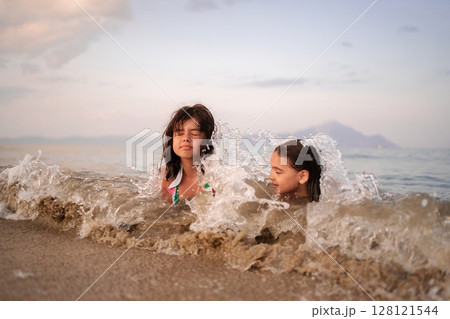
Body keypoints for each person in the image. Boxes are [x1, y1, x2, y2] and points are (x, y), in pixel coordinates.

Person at [161, 104, 216, 204]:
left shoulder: (217, 179)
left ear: (208, 139)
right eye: (179, 133)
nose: (186, 138)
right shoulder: (165, 179)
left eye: (194, 133)